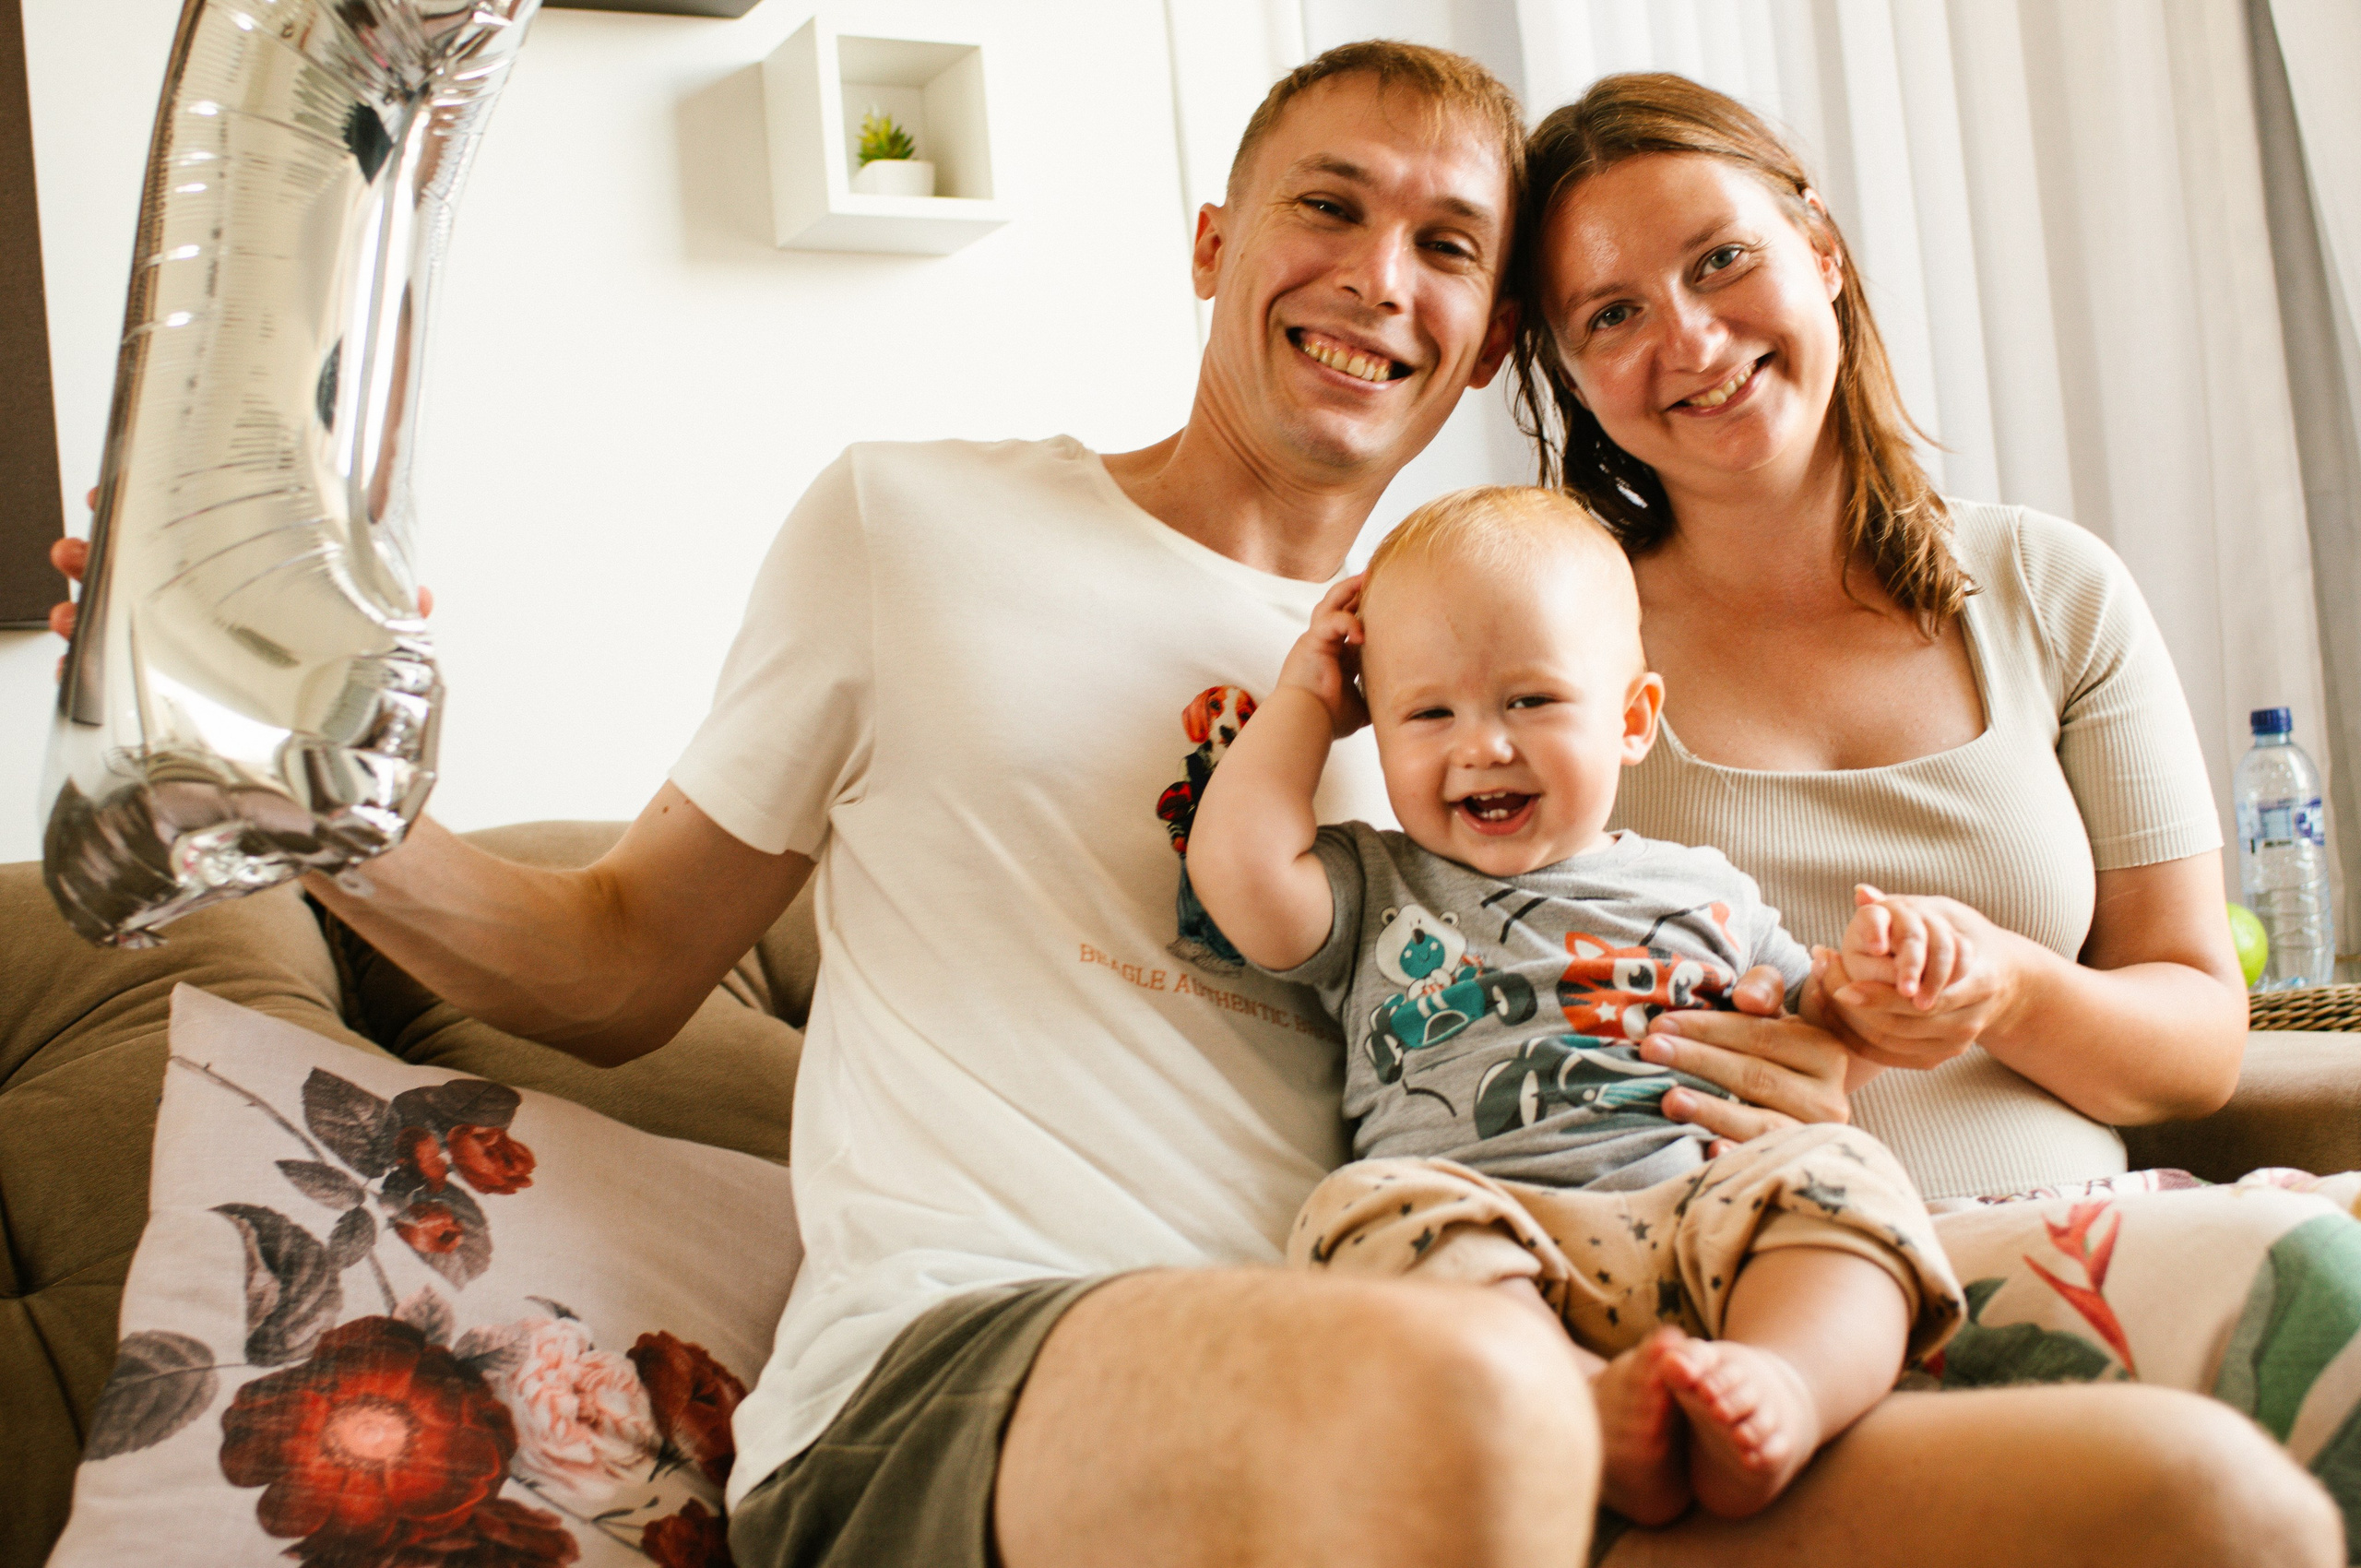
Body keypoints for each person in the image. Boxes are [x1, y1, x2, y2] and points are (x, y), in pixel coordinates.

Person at [45, 42, 2342, 1568]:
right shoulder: (915, 523)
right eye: (1326, 208)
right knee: (1464, 1402)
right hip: (993, 1361)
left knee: (2195, 1504)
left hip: (1502, 1376)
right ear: (1213, 248)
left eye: (1448, 248)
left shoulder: (1479, 661)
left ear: (1485, 345)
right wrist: (289, 785)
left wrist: (1789, 1065)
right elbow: (623, 960)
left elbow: (1639, 984)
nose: (1377, 277)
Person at [1509, 66, 2361, 1551]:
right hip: (1780, 1302)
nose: (1689, 339)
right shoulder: (1553, 652)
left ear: (1821, 252)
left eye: (1722, 259)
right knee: (2319, 1284)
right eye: (1612, 313)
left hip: (2095, 1227)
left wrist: (2009, 991)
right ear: (1568, 372)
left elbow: (2199, 1036)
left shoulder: (2049, 588)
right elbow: (1474, 1007)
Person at [1187, 482, 1967, 1526]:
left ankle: (1783, 1381)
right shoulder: (1376, 884)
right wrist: (1305, 704)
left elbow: (1817, 1041)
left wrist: (1871, 981)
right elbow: (1236, 870)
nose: (1482, 746)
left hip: (1705, 1220)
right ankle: (1580, 1401)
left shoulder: (1703, 887)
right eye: (1428, 713)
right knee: (1357, 1208)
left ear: (1632, 719)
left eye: (1531, 701)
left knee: (1845, 1172)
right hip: (1492, 1238)